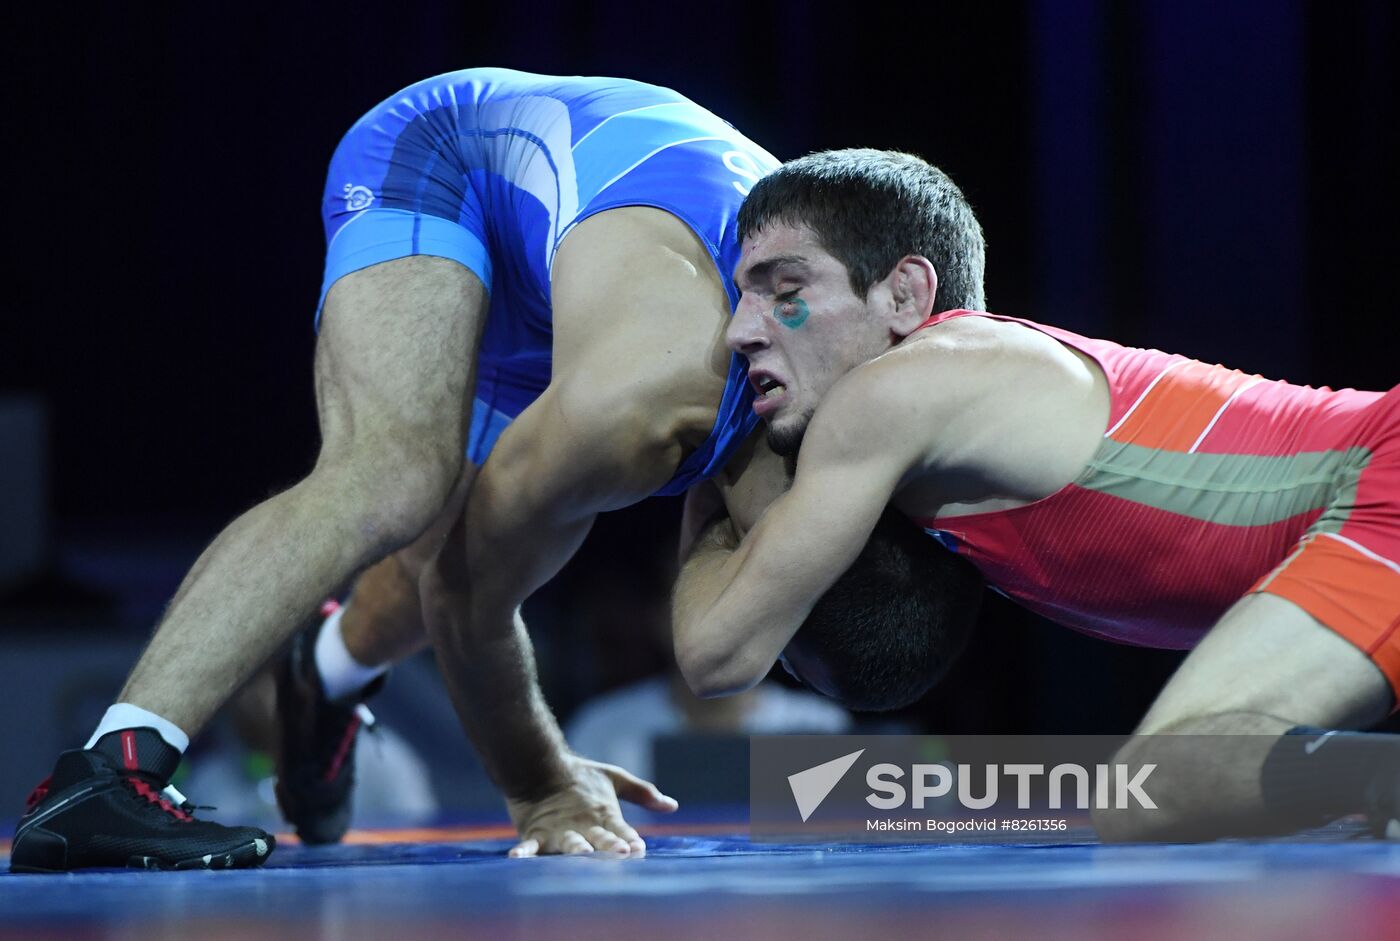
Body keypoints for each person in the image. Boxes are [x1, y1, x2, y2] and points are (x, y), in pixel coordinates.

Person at [12, 68, 788, 872]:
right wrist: (541, 780)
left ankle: (328, 666)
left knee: (431, 556)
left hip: (571, 259)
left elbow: (448, 580)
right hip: (456, 154)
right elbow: (469, 598)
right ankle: (108, 771)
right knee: (394, 478)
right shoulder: (642, 411)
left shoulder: (837, 419)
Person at [673, 148, 1400, 842]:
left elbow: (718, 654)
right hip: (1372, 494)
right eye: (744, 295)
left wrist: (708, 469)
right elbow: (869, 669)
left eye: (787, 292)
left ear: (905, 293)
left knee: (1156, 787)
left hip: (1382, 484)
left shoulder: (891, 393)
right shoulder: (957, 414)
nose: (741, 331)